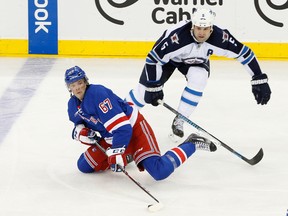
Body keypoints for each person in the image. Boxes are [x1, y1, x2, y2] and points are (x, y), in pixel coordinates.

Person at [125, 8, 272, 140]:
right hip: (167, 60)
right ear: (192, 26)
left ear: (211, 28)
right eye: (198, 28)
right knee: (143, 92)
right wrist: (152, 86)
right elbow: (153, 59)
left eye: (206, 28)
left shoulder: (221, 38)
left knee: (199, 78)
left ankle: (180, 119)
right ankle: (121, 115)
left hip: (196, 61)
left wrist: (259, 77)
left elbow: (244, 53)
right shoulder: (177, 38)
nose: (201, 32)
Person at [65, 66, 217, 181]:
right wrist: (82, 133)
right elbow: (78, 126)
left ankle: (192, 143)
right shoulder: (73, 105)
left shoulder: (98, 94)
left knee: (159, 171)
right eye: (73, 84)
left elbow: (123, 128)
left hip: (134, 128)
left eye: (79, 82)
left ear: (85, 81)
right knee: (84, 166)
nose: (77, 87)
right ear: (69, 88)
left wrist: (117, 152)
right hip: (113, 137)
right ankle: (128, 155)